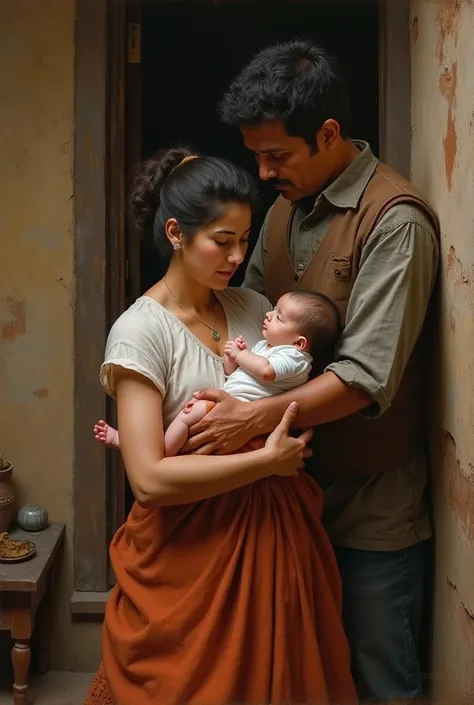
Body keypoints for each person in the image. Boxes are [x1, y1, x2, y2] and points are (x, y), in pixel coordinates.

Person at [182, 40, 440, 702]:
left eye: (278, 155)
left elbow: (364, 374)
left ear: (329, 133)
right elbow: (253, 334)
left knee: (380, 676)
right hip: (287, 494)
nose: (263, 171)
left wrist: (255, 414)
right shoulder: (280, 212)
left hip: (372, 502)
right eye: (256, 154)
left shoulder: (396, 221)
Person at [84, 147, 357, 705]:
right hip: (187, 554)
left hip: (273, 539)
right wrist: (266, 461)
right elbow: (149, 481)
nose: (237, 255)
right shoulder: (140, 332)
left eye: (244, 238)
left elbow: (290, 392)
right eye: (222, 240)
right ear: (177, 233)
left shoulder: (252, 306)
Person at [94, 289, 340, 455]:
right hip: (230, 401)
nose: (268, 315)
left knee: (186, 418)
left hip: (239, 407)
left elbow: (265, 372)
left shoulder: (296, 358)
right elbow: (232, 373)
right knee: (180, 424)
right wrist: (233, 359)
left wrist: (243, 356)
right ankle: (141, 447)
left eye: (279, 317)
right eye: (273, 310)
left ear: (299, 342)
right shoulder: (267, 346)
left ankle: (161, 454)